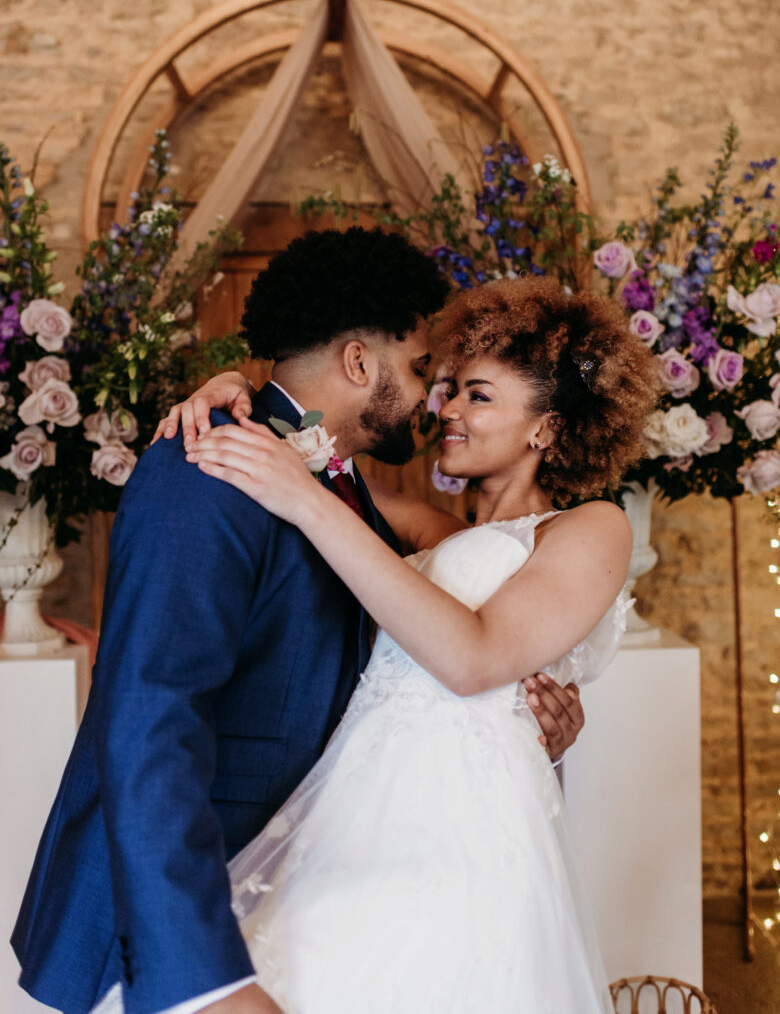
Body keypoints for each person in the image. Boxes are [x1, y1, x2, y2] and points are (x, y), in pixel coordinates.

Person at [10, 228, 581, 1014]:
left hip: (294, 896)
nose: (432, 399)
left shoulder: (336, 489)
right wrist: (205, 980)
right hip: (176, 929)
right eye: (421, 369)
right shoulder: (206, 465)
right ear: (359, 364)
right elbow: (149, 724)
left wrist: (518, 715)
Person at [181, 274, 660, 1013]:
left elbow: (473, 659)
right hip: (351, 809)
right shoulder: (438, 533)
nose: (448, 410)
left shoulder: (593, 528)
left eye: (478, 395)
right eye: (450, 390)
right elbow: (312, 457)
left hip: (461, 828)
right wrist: (234, 393)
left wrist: (304, 501)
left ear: (546, 429)